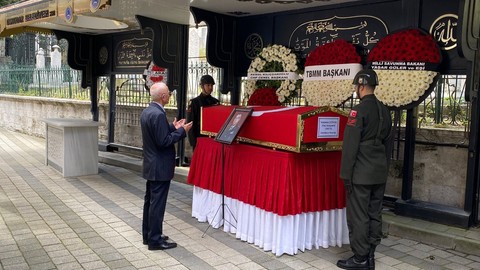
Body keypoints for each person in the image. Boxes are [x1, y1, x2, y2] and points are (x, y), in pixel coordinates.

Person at [337, 69, 392, 270]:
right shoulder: (385, 110)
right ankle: (370, 254)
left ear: (360, 86)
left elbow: (350, 146)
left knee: (358, 215)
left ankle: (360, 257)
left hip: (360, 173)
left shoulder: (357, 111)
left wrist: (345, 175)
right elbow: (389, 145)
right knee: (375, 212)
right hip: (379, 171)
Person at [140, 82, 192, 250]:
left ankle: (149, 235)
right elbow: (163, 141)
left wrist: (172, 127)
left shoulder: (148, 111)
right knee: (157, 204)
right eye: (169, 93)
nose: (170, 95)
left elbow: (158, 133)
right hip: (160, 166)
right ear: (163, 96)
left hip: (151, 164)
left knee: (150, 202)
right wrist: (182, 131)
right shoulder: (159, 114)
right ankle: (155, 240)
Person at [186, 74, 220, 150]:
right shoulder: (194, 102)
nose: (210, 88)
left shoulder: (216, 102)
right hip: (199, 138)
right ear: (202, 86)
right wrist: (193, 142)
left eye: (212, 85)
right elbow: (190, 123)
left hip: (212, 139)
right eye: (208, 85)